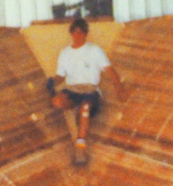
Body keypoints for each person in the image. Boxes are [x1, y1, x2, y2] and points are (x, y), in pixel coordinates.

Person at [49, 17, 124, 161]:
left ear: (85, 34)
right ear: (71, 34)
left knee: (85, 108)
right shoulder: (65, 53)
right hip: (72, 89)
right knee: (57, 102)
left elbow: (109, 71)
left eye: (81, 32)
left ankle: (80, 146)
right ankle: (77, 109)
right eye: (75, 33)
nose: (78, 36)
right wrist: (53, 81)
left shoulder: (94, 50)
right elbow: (60, 75)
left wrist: (119, 89)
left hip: (89, 90)